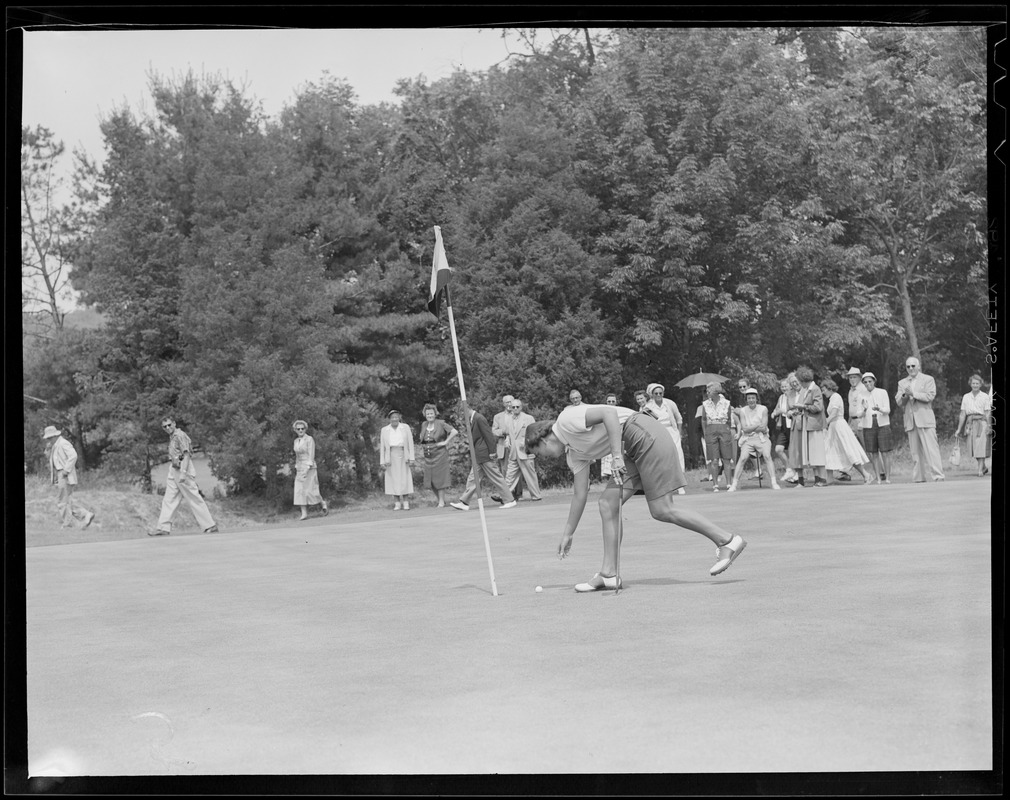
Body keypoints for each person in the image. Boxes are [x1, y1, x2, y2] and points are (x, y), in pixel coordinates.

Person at [525, 402, 746, 592]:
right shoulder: (574, 455)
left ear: (542, 441)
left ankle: (727, 540)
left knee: (662, 509)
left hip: (642, 433)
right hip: (632, 448)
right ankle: (609, 573)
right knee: (607, 503)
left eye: (538, 454)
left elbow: (609, 413)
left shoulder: (565, 420)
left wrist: (617, 456)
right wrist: (568, 533)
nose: (542, 458)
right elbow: (579, 494)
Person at [152, 417, 219, 535]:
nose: (167, 428)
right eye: (165, 426)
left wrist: (183, 473)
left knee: (193, 498)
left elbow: (186, 455)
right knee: (169, 499)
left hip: (183, 468)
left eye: (169, 425)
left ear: (174, 424)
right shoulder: (172, 437)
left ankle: (210, 525)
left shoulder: (180, 435)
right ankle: (163, 527)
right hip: (174, 468)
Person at [450, 404, 517, 511]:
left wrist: (492, 452)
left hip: (484, 454)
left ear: (467, 410)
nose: (462, 417)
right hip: (478, 454)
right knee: (473, 479)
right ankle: (464, 502)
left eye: (462, 414)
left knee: (496, 477)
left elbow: (488, 435)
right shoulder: (473, 419)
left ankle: (510, 500)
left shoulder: (479, 418)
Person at [895, 356, 945, 482]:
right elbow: (899, 402)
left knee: (931, 450)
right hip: (911, 421)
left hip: (925, 419)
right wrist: (905, 395)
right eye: (908, 366)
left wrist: (913, 393)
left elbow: (930, 396)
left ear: (918, 366)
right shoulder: (902, 382)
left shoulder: (928, 379)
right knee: (915, 452)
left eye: (913, 366)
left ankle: (938, 475)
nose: (911, 368)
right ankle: (919, 477)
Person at [820, 379, 875, 484]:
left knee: (849, 451)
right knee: (828, 451)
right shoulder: (832, 398)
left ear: (829, 388)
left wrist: (824, 423)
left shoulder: (836, 397)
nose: (823, 392)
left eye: (824, 390)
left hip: (839, 427)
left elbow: (834, 413)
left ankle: (867, 475)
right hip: (833, 428)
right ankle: (830, 478)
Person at [726, 389, 781, 491]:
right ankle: (734, 484)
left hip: (762, 437)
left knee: (767, 456)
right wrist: (756, 425)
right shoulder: (743, 411)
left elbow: (764, 427)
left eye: (753, 398)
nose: (751, 400)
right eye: (749, 398)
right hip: (748, 439)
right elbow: (744, 429)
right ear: (746, 400)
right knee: (742, 458)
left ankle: (774, 482)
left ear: (756, 399)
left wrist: (751, 427)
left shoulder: (763, 409)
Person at [42, 425, 95, 529]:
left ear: (54, 436)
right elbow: (51, 459)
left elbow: (73, 455)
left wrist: (66, 470)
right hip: (61, 474)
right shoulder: (55, 445)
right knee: (66, 501)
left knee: (62, 501)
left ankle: (69, 524)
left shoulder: (63, 443)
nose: (48, 440)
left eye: (49, 438)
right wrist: (48, 450)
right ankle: (84, 515)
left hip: (64, 474)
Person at [789, 367, 828, 488]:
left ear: (804, 380)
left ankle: (822, 479)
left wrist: (803, 406)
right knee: (813, 453)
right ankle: (818, 479)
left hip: (815, 424)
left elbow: (818, 407)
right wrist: (798, 410)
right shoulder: (806, 390)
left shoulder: (814, 389)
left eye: (800, 381)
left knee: (817, 452)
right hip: (808, 424)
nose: (799, 384)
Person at [646, 382, 687, 494]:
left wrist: (679, 432)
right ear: (652, 394)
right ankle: (666, 485)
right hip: (658, 434)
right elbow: (647, 422)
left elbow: (679, 418)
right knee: (662, 458)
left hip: (672, 432)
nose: (659, 395)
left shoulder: (670, 403)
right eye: (656, 393)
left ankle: (680, 485)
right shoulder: (648, 407)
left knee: (677, 455)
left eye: (660, 393)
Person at [418, 404, 459, 507]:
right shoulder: (424, 424)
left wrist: (446, 442)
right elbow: (421, 436)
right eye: (427, 414)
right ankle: (440, 500)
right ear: (425, 414)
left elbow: (454, 431)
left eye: (431, 413)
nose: (429, 415)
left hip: (440, 454)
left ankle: (441, 501)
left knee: (440, 479)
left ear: (435, 414)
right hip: (428, 456)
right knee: (430, 481)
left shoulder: (441, 423)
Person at [503, 399, 542, 501]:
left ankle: (536, 495)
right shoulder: (508, 419)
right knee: (509, 475)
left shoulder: (528, 418)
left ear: (521, 407)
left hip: (525, 451)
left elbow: (536, 433)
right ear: (510, 408)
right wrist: (507, 440)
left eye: (517, 407)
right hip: (513, 452)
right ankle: (504, 496)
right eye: (513, 407)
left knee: (530, 475)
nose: (515, 409)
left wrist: (526, 442)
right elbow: (508, 433)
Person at [858, 372, 894, 484]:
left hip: (882, 423)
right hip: (868, 424)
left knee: (885, 451)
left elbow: (887, 410)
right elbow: (859, 414)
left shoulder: (882, 392)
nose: (868, 384)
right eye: (865, 382)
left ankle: (887, 477)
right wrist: (864, 409)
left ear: (874, 381)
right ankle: (878, 478)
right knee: (873, 452)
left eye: (870, 381)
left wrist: (879, 409)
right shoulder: (861, 395)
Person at [955, 374, 992, 477]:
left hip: (982, 423)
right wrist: (958, 429)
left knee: (980, 447)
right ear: (970, 384)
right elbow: (963, 414)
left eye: (977, 383)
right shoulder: (966, 397)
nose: (975, 385)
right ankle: (983, 466)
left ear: (980, 384)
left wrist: (989, 426)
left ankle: (980, 470)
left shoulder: (984, 396)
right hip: (970, 424)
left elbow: (988, 412)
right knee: (973, 448)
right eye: (973, 383)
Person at [700, 382, 735, 491]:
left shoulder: (726, 403)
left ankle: (729, 483)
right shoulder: (705, 404)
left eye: (709, 390)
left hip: (723, 428)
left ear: (715, 391)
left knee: (726, 458)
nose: (707, 392)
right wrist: (705, 433)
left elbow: (729, 419)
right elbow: (704, 419)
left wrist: (727, 430)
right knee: (714, 459)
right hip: (711, 430)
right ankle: (715, 484)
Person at [292, 420, 329, 520]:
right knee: (299, 490)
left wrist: (308, 467)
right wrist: (297, 466)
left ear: (305, 429)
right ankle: (304, 513)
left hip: (309, 467)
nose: (300, 430)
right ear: (295, 430)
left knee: (310, 490)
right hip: (300, 467)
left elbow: (311, 454)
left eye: (302, 428)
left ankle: (323, 503)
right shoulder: (296, 441)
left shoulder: (309, 439)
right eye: (298, 429)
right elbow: (297, 455)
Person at [379, 410, 415, 510]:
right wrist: (382, 461)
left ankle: (406, 502)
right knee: (393, 479)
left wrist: (412, 458)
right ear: (389, 419)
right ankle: (397, 503)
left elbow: (410, 443)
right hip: (391, 456)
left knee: (405, 478)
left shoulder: (405, 427)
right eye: (392, 417)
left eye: (396, 417)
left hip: (403, 454)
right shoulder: (385, 430)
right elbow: (382, 447)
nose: (394, 419)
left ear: (399, 417)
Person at [770, 378, 796, 482]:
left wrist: (783, 410)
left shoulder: (794, 395)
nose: (784, 388)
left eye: (785, 386)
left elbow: (794, 409)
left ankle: (796, 473)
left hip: (792, 424)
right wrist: (774, 413)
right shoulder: (781, 397)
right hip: (783, 425)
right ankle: (789, 469)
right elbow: (777, 408)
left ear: (790, 386)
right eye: (782, 386)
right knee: (778, 449)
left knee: (792, 450)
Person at [491, 394, 515, 473]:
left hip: (515, 445)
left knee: (516, 469)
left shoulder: (519, 415)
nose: (509, 404)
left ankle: (517, 486)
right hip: (503, 446)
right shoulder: (497, 417)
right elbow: (494, 431)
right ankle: (505, 485)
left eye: (510, 402)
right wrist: (504, 431)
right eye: (506, 402)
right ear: (503, 404)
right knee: (504, 469)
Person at [600, 393, 619, 478]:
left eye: (613, 401)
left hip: (618, 440)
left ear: (616, 402)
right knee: (608, 469)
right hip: (606, 440)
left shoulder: (620, 411)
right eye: (609, 401)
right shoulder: (603, 412)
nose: (611, 403)